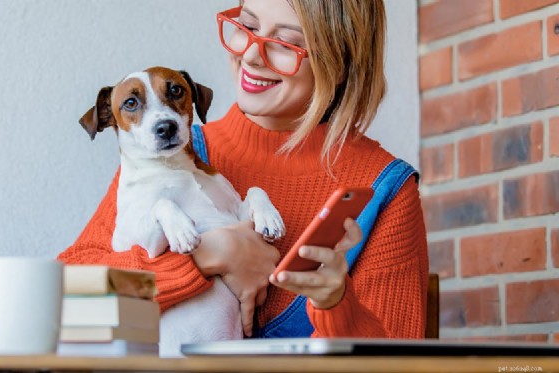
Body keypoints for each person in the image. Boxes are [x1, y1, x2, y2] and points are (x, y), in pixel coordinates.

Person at [58, 0, 428, 339]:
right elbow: (69, 304)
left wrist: (335, 305)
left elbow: (396, 358)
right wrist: (206, 258)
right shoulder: (171, 157)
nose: (251, 55)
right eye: (246, 26)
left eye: (285, 43)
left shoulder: (384, 188)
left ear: (339, 61)